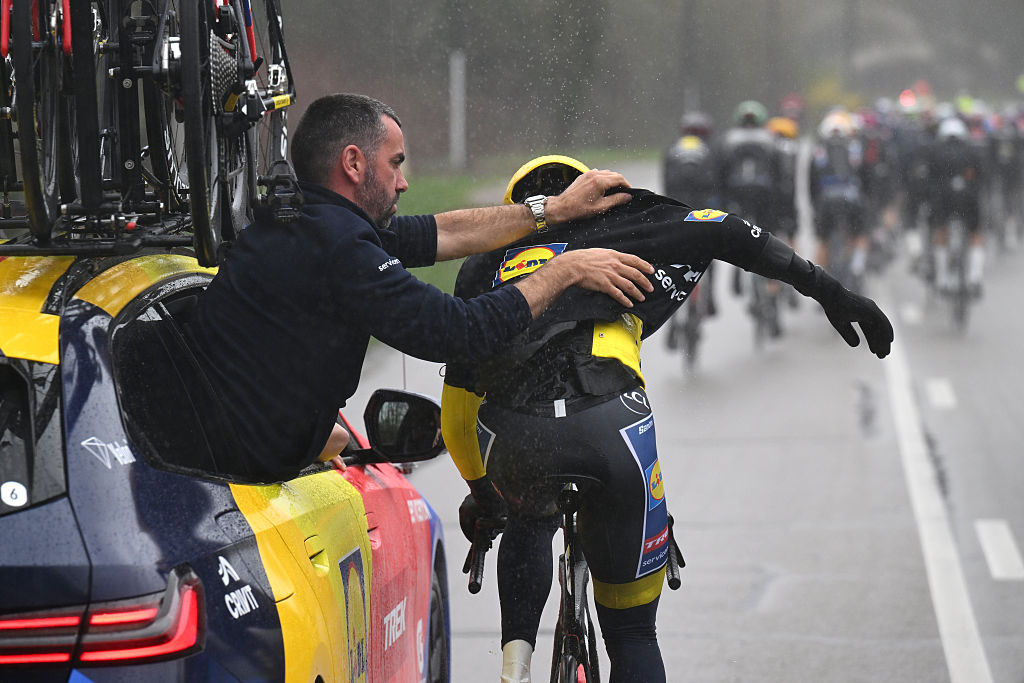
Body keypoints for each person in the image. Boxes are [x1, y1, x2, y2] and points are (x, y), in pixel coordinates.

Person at [441, 156, 893, 683]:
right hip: (608, 426)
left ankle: (513, 667)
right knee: (633, 634)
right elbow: (730, 231)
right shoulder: (629, 222)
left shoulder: (484, 265)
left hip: (516, 435)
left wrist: (484, 494)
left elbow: (458, 416)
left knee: (525, 514)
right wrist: (830, 292)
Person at [183, 94, 655, 483]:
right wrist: (564, 271)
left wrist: (551, 211)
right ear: (353, 162)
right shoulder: (340, 248)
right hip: (230, 474)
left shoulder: (304, 222)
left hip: (214, 446)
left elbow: (442, 233)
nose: (404, 182)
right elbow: (459, 331)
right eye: (395, 164)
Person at [927, 116, 986, 295]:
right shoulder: (972, 151)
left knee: (941, 231)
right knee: (975, 233)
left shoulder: (936, 151)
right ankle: (975, 276)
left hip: (944, 198)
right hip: (968, 197)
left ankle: (942, 279)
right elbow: (982, 176)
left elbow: (929, 179)